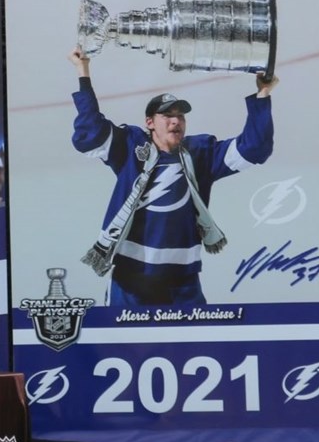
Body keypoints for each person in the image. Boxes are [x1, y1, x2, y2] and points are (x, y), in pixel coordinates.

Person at [67, 46, 276, 306]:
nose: (176, 121)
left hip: (183, 282)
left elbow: (254, 148)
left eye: (180, 117)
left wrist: (262, 95)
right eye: (167, 116)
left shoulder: (201, 153)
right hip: (131, 280)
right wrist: (83, 72)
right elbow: (89, 134)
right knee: (123, 334)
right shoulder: (131, 146)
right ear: (150, 122)